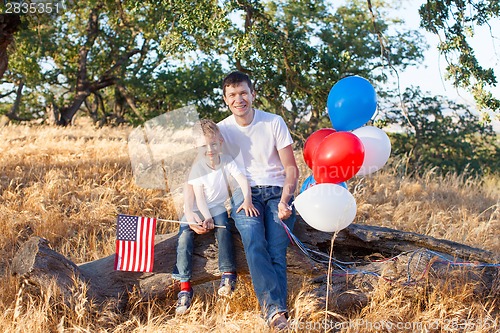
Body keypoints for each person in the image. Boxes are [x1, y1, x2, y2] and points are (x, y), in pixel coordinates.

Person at [218, 71, 299, 330]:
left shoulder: (273, 122)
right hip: (245, 195)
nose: (238, 99)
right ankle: (276, 312)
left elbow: (291, 169)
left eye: (243, 93)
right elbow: (210, 171)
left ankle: (276, 312)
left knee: (276, 250)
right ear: (225, 99)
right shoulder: (222, 130)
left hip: (278, 192)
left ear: (253, 94)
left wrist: (286, 201)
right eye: (232, 95)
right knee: (254, 241)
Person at [173, 119, 258, 315]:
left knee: (224, 226)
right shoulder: (197, 169)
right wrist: (204, 217)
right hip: (196, 209)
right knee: (184, 237)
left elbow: (242, 179)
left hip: (217, 206)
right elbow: (200, 199)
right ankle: (185, 287)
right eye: (204, 145)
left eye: (213, 144)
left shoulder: (226, 161)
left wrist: (247, 199)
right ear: (196, 146)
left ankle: (228, 274)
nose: (209, 149)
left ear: (220, 141)